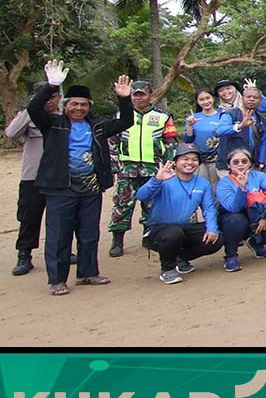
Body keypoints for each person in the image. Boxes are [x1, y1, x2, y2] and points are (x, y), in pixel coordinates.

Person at [27, 62, 134, 296]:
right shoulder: (53, 124)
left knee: (89, 233)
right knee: (58, 235)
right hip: (60, 187)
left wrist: (125, 99)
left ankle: (88, 272)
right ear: (65, 106)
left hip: (91, 186)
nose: (79, 108)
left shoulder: (97, 126)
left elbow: (126, 122)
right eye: (74, 104)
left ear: (89, 106)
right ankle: (57, 280)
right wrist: (51, 85)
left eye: (83, 104)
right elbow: (33, 110)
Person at [107, 80, 178, 258]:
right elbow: (112, 142)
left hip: (153, 168)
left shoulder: (162, 117)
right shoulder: (121, 115)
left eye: (142, 94)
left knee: (152, 205)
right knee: (122, 204)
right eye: (134, 94)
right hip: (127, 167)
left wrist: (171, 165)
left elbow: (171, 143)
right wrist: (114, 166)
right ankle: (117, 240)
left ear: (150, 95)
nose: (138, 98)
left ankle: (149, 236)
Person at [135, 145, 224, 285]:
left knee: (216, 238)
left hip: (185, 228)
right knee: (173, 233)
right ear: (175, 162)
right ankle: (167, 269)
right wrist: (156, 180)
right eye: (185, 159)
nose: (190, 162)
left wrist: (212, 228)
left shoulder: (202, 183)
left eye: (195, 159)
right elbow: (141, 196)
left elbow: (209, 208)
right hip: (159, 230)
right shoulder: (164, 179)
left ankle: (180, 258)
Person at [215, 148, 266, 271]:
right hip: (235, 216)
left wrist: (264, 216)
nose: (240, 165)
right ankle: (231, 256)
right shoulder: (224, 183)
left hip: (260, 212)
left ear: (250, 163)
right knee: (235, 220)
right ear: (229, 165)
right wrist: (242, 188)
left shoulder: (259, 176)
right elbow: (234, 207)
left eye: (244, 161)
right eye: (235, 162)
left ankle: (256, 242)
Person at [6, 81, 56, 276]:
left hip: (58, 176)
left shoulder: (64, 117)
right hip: (32, 176)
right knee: (29, 217)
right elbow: (11, 133)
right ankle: (24, 255)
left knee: (60, 217)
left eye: (52, 96)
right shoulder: (26, 116)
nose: (49, 101)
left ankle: (63, 251)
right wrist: (31, 109)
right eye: (44, 97)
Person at [185, 89, 233, 187]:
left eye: (208, 98)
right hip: (199, 159)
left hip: (218, 159)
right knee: (201, 187)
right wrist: (190, 125)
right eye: (201, 99)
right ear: (197, 102)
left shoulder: (223, 115)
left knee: (216, 187)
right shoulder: (194, 117)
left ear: (213, 98)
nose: (206, 102)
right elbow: (187, 140)